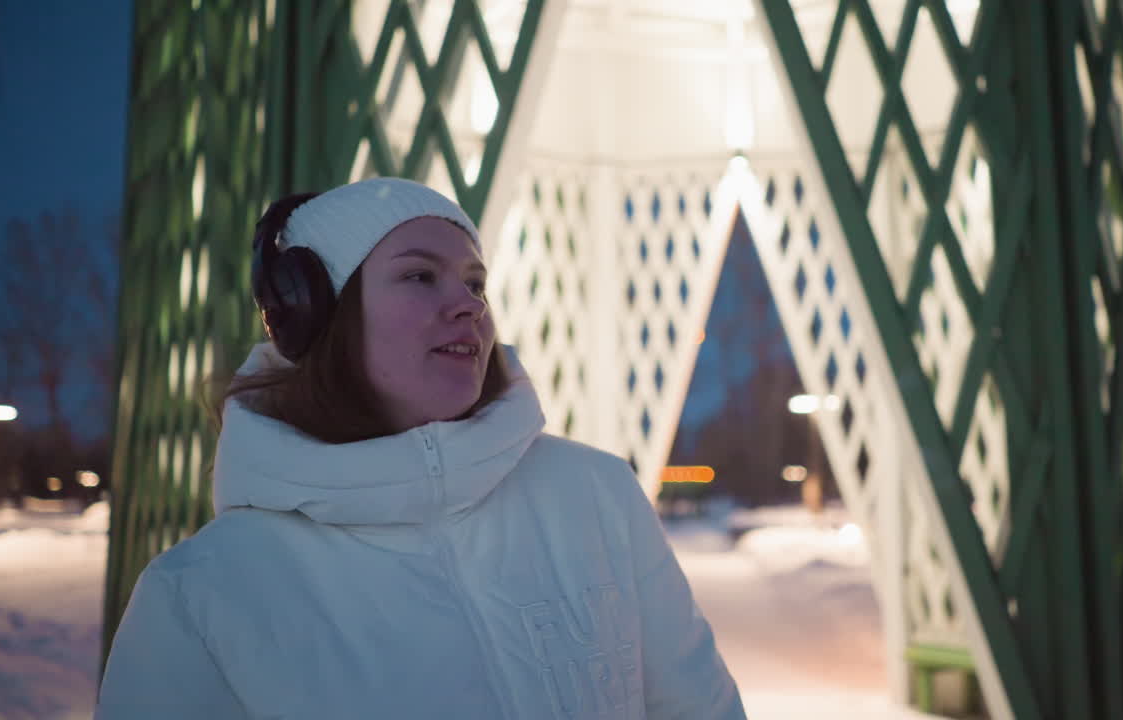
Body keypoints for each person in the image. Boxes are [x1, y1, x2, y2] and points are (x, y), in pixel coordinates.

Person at [95, 177, 745, 719]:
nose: (466, 305)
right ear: (321, 317)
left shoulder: (597, 496)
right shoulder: (204, 594)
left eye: (475, 283)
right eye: (419, 277)